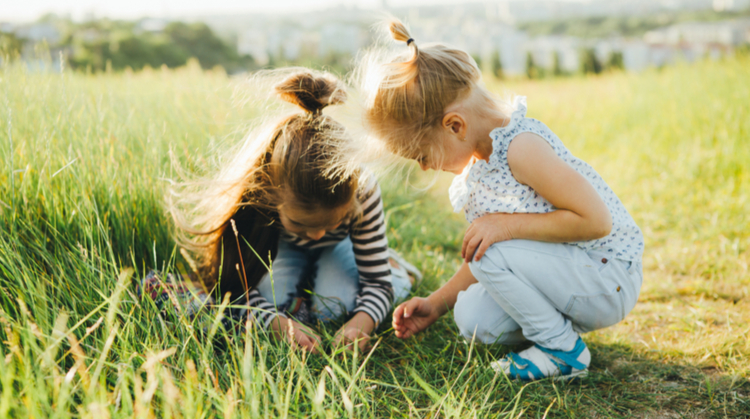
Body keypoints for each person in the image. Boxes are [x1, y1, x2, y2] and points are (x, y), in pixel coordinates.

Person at [355, 19, 644, 380]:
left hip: (607, 276)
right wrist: (434, 305)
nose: (426, 168)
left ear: (454, 126)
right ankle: (557, 331)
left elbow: (596, 222)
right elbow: (485, 254)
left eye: (421, 156)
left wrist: (503, 226)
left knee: (492, 243)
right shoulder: (480, 168)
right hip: (573, 275)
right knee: (474, 320)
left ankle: (563, 351)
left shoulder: (522, 147)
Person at [168, 69, 415, 353]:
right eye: (300, 223)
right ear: (271, 197)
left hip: (341, 248)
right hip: (281, 248)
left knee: (334, 307)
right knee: (272, 299)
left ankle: (397, 270)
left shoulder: (364, 190)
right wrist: (276, 323)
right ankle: (308, 279)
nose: (317, 234)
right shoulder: (258, 191)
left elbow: (376, 285)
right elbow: (235, 288)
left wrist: (360, 324)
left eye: (332, 222)